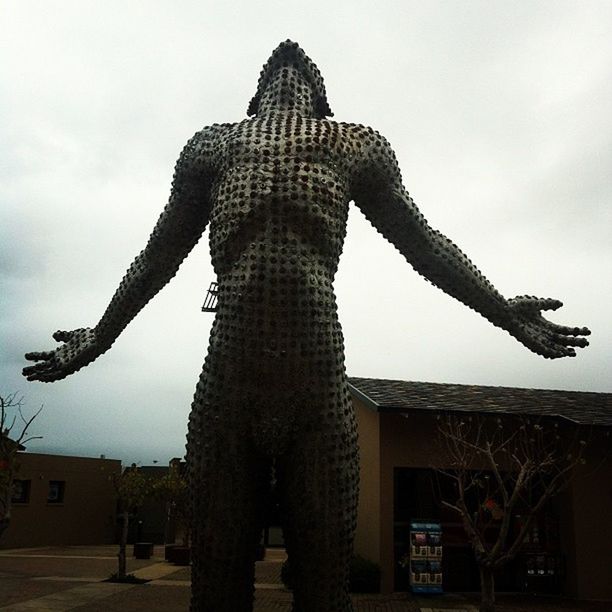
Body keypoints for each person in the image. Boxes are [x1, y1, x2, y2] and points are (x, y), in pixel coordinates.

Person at [23, 41, 589, 612]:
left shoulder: (353, 144)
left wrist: (501, 309)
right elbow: (157, 256)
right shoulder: (211, 146)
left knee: (324, 588)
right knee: (215, 587)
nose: (287, 52)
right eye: (276, 61)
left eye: (303, 66)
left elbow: (423, 243)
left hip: (318, 388)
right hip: (227, 388)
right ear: (252, 99)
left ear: (322, 101)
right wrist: (100, 335)